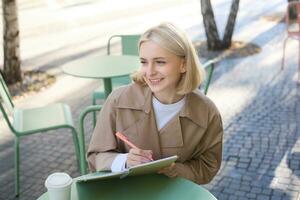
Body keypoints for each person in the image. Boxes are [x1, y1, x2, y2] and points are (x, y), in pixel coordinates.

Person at [87, 22, 223, 184]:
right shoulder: (118, 100)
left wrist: (176, 170)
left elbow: (208, 167)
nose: (149, 72)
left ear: (184, 64)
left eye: (160, 62)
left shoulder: (207, 112)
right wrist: (124, 161)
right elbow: (95, 157)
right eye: (144, 62)